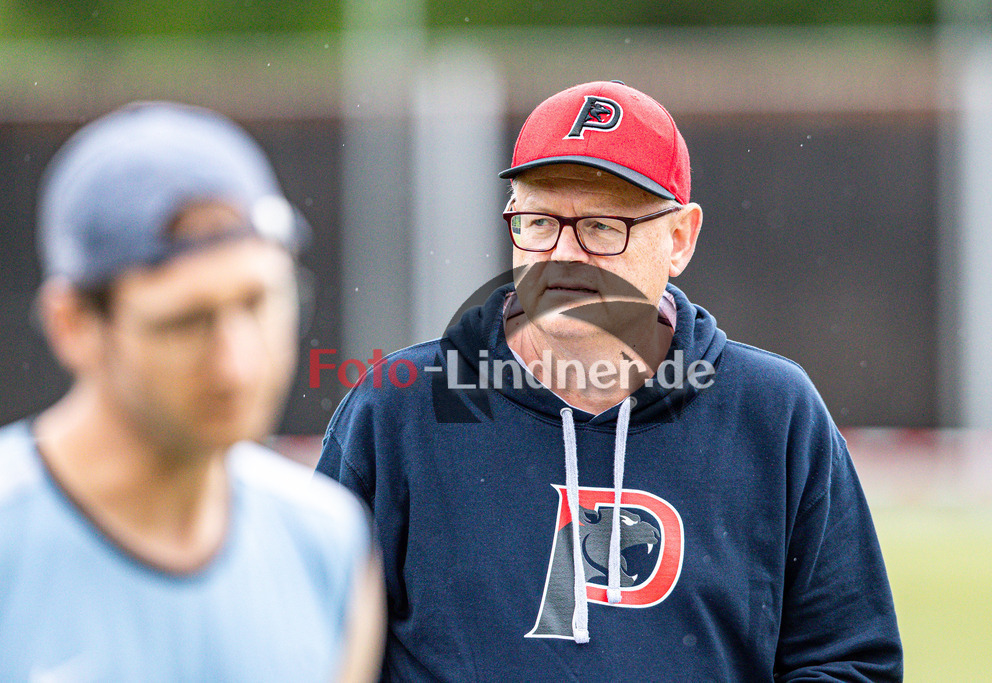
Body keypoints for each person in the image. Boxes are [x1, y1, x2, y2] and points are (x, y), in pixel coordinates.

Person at [317, 81, 902, 680]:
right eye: (540, 221)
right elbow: (310, 643)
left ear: (680, 239)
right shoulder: (402, 408)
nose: (565, 255)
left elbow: (850, 661)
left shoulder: (773, 413)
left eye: (601, 227)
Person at [0, 102, 385, 682]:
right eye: (184, 322)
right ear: (73, 325)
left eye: (258, 303)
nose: (237, 364)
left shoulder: (326, 544)